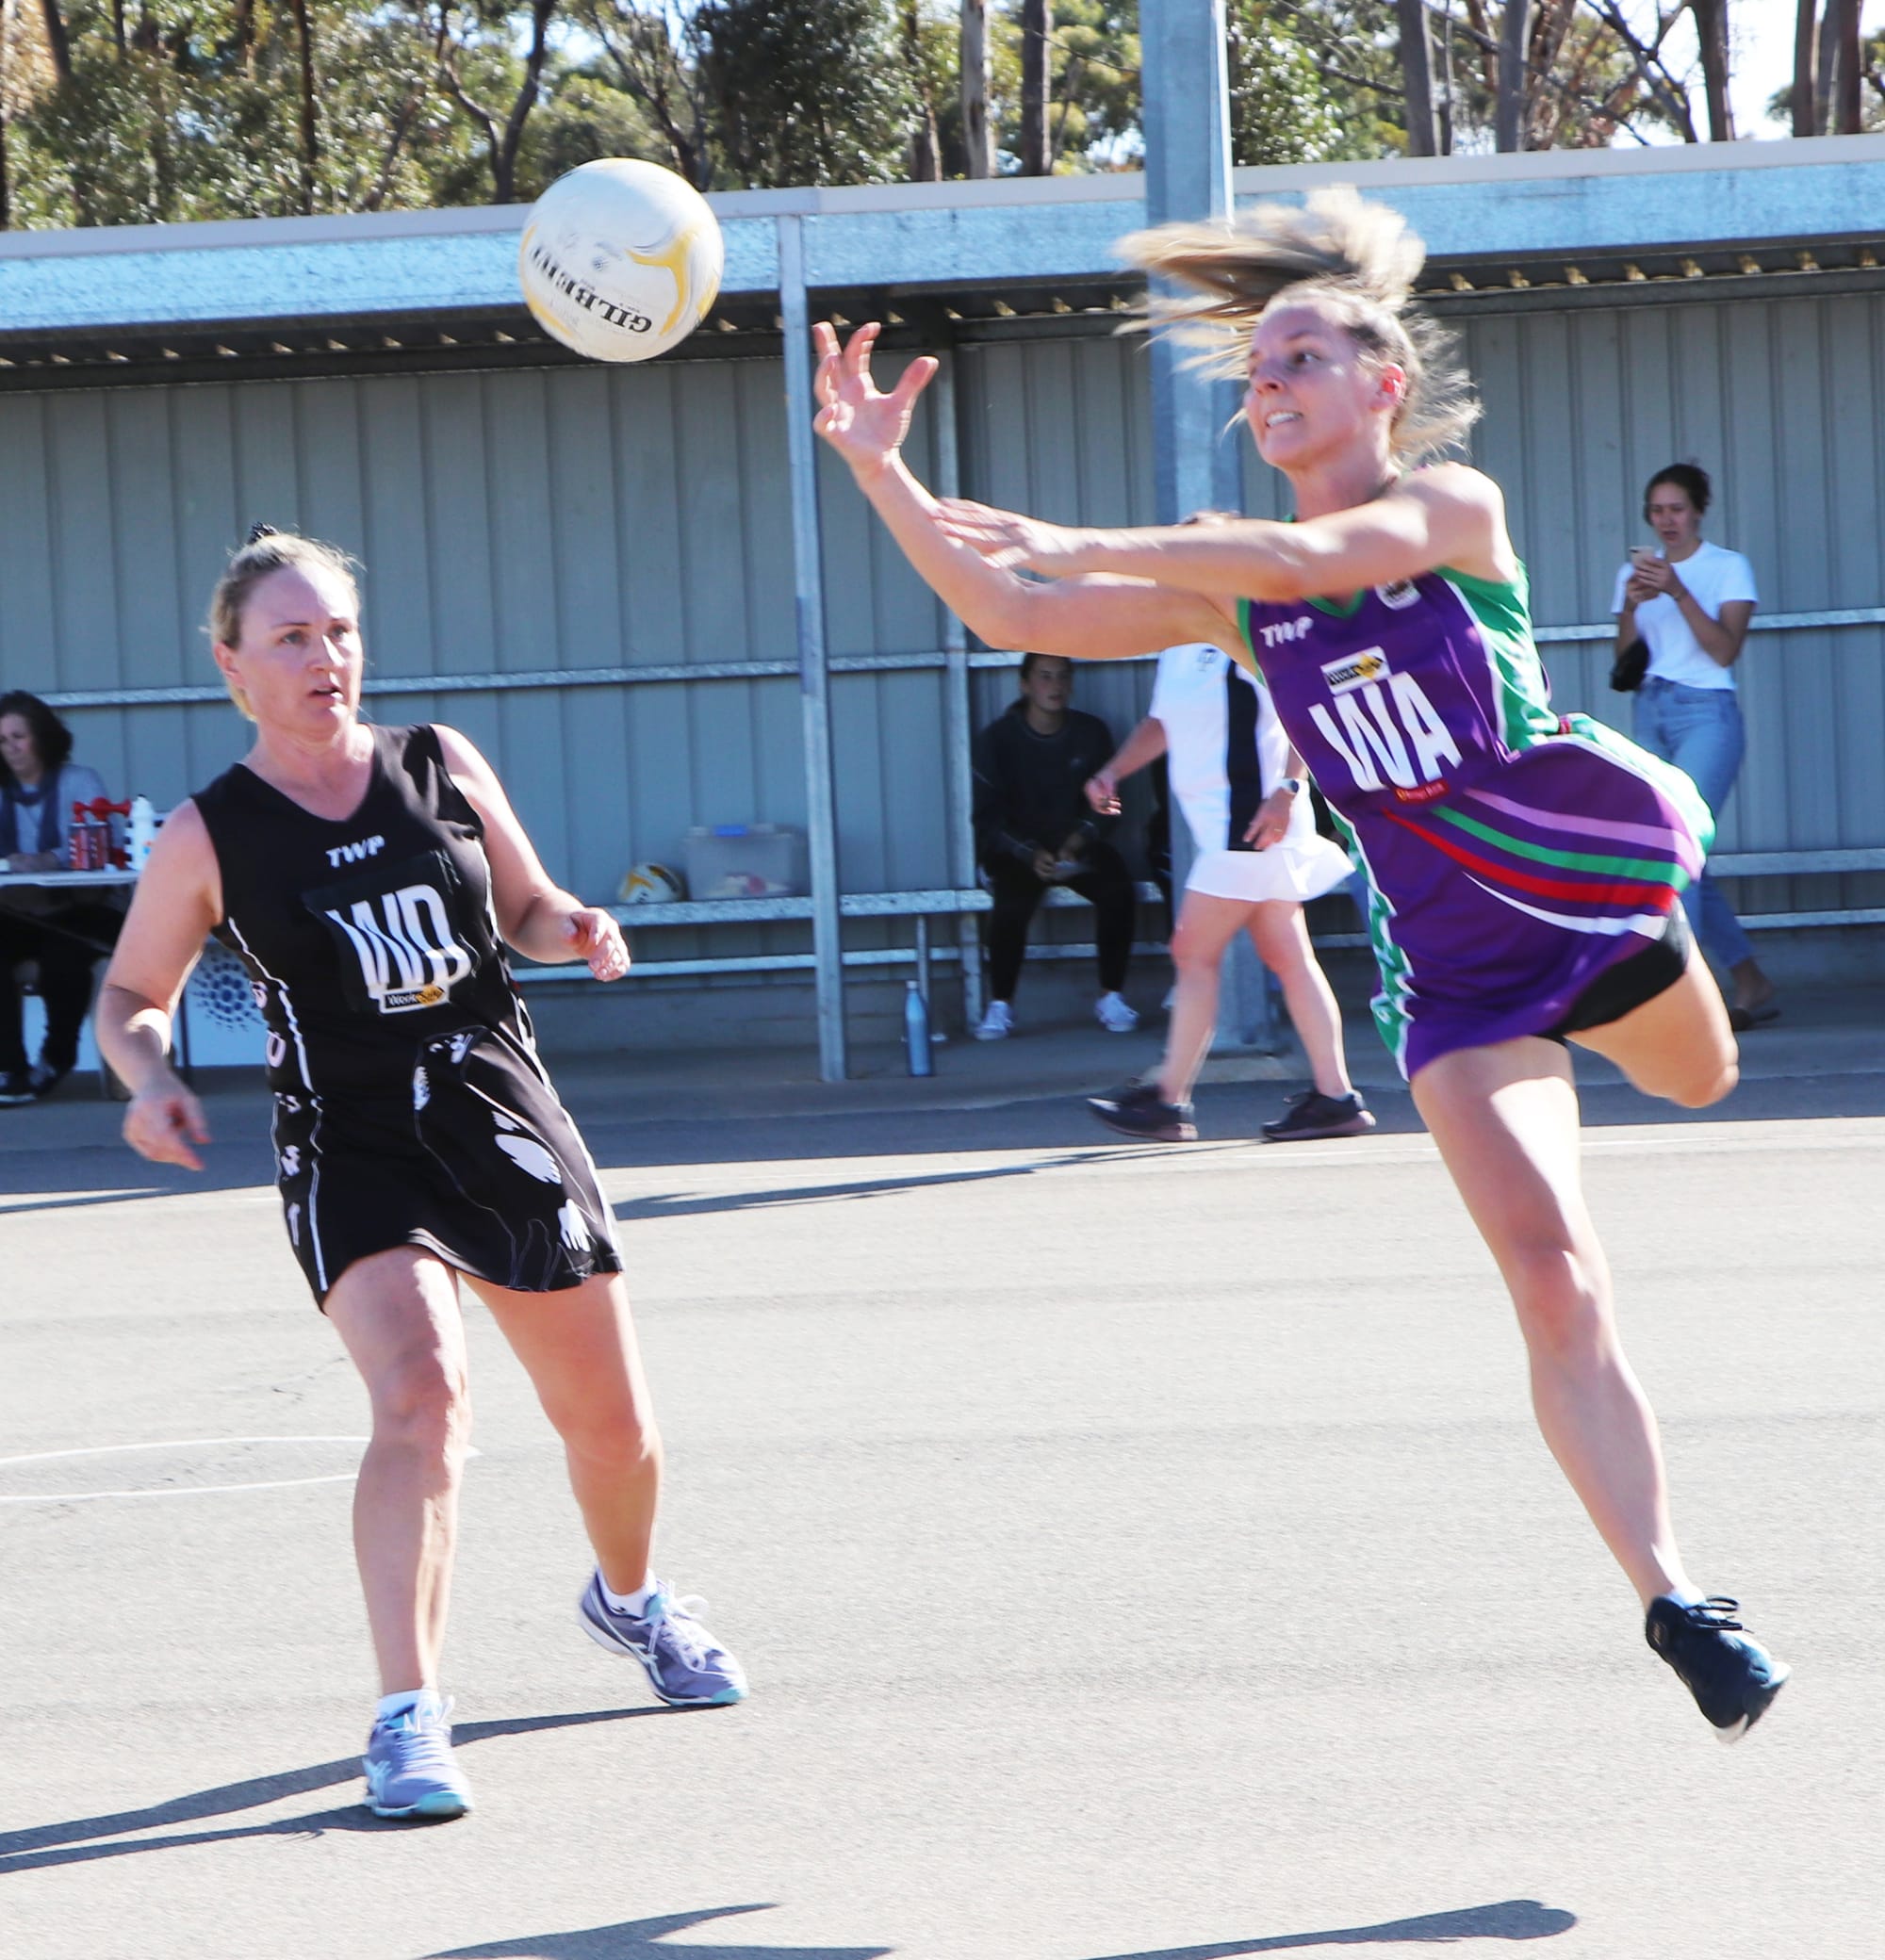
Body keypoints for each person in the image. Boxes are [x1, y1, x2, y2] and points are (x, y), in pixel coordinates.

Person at [811, 188, 1788, 1740]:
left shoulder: (1448, 509)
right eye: (1257, 370)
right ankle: (1680, 1600)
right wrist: (883, 472)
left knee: (1700, 1080)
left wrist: (1087, 533)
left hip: (1585, 899)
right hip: (1460, 976)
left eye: (1302, 360)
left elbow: (1313, 550)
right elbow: (1008, 604)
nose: (1268, 386)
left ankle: (1655, 1014)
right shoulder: (1236, 598)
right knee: (1553, 1272)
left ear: (1382, 383)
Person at [97, 529, 746, 1824]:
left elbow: (528, 907)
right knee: (424, 1395)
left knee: (613, 1431)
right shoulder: (211, 832)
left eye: (338, 630)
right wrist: (148, 1075)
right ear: (232, 666)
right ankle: (407, 1713)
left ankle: (629, 1600)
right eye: (291, 637)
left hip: (494, 1111)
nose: (323, 656)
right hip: (351, 1140)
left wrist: (576, 927)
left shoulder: (438, 762)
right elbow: (129, 994)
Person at [1084, 631, 1372, 1143]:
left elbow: (1302, 711)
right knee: (1289, 957)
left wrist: (1288, 790)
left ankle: (1169, 1098)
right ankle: (1336, 1097)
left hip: (1250, 824)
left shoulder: (1245, 627)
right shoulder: (1175, 645)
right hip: (1230, 827)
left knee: (1193, 953)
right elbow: (1163, 721)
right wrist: (1112, 771)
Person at [1614, 464, 1778, 1030]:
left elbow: (1724, 650)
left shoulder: (1728, 568)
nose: (1667, 521)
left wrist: (1678, 591)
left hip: (1707, 713)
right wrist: (1632, 604)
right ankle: (1749, 981)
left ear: (1699, 512)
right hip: (1651, 709)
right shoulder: (1634, 572)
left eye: (1677, 509)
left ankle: (1689, 1001)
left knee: (1678, 848)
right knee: (1673, 853)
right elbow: (1625, 663)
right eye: (1657, 511)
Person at [971, 651, 1139, 1039]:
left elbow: (1109, 806)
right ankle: (1000, 1004)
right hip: (1018, 853)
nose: (1055, 685)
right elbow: (987, 818)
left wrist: (1078, 840)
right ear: (1025, 684)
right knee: (1010, 902)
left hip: (1076, 848)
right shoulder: (998, 739)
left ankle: (1111, 996)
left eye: (1062, 676)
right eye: (1044, 676)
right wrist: (1029, 852)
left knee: (1118, 890)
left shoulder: (1091, 732)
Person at [0, 691, 122, 1102]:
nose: (10, 748)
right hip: (17, 911)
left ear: (43, 737)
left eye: (19, 737)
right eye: (2, 740)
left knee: (63, 961)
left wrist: (48, 860)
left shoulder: (79, 781)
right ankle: (10, 1068)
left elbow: (107, 841)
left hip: (81, 907)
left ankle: (56, 1058)